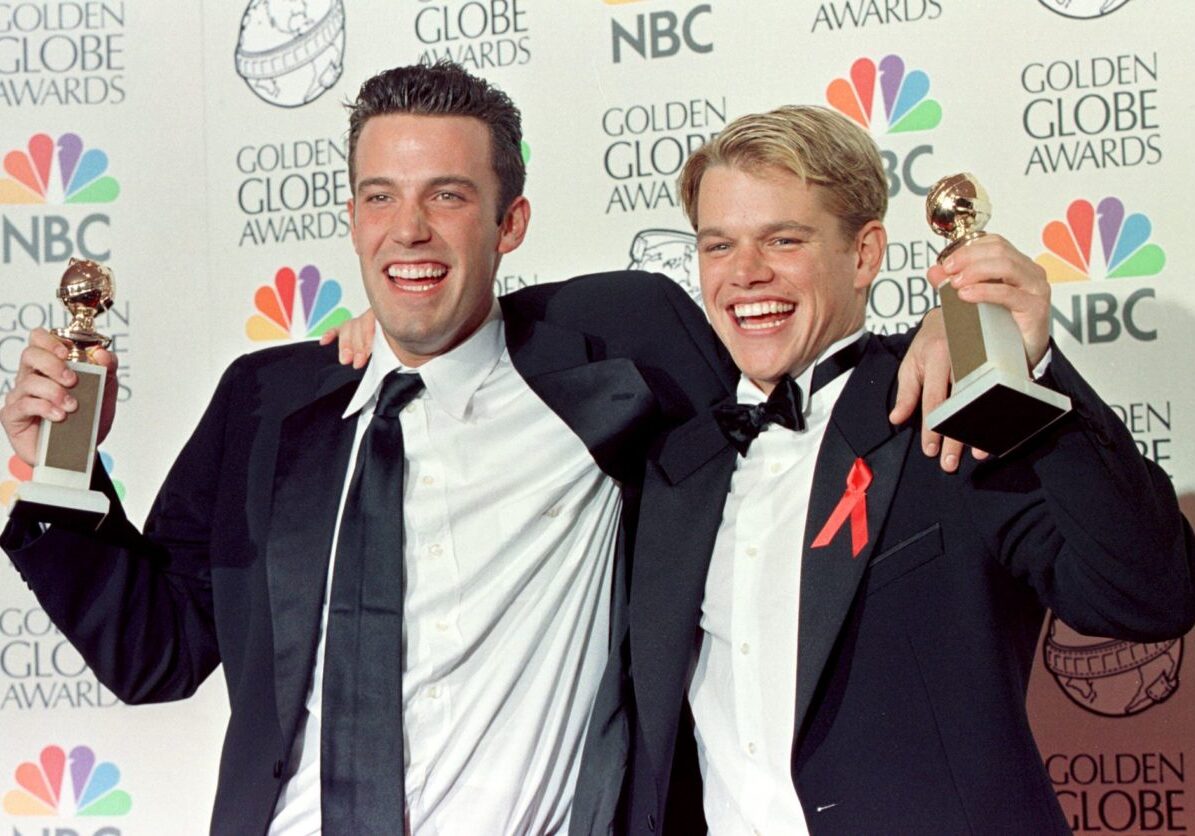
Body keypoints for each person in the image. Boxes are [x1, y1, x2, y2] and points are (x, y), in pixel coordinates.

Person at [2, 66, 944, 834]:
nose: (407, 229)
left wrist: (948, 340)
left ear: (509, 224)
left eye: (446, 197)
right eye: (381, 196)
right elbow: (154, 653)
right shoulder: (267, 398)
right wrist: (59, 474)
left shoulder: (621, 351)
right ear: (354, 214)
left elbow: (796, 355)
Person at [608, 104, 1195, 835]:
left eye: (782, 240)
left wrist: (1034, 367)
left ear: (863, 255)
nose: (744, 274)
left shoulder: (941, 409)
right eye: (717, 245)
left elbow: (1146, 597)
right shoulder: (672, 465)